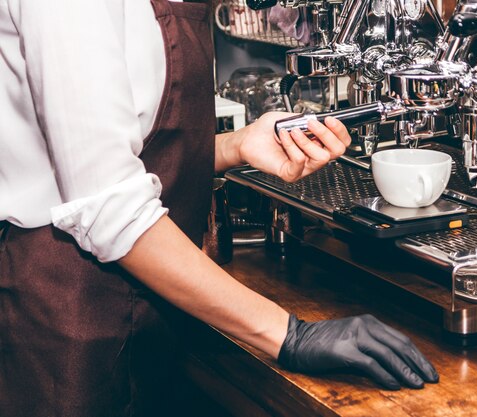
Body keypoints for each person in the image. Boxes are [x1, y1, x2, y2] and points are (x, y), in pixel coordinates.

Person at [0, 1, 438, 416]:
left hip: (157, 312)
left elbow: (120, 147)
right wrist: (291, 334)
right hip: (72, 326)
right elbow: (109, 206)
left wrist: (237, 144)